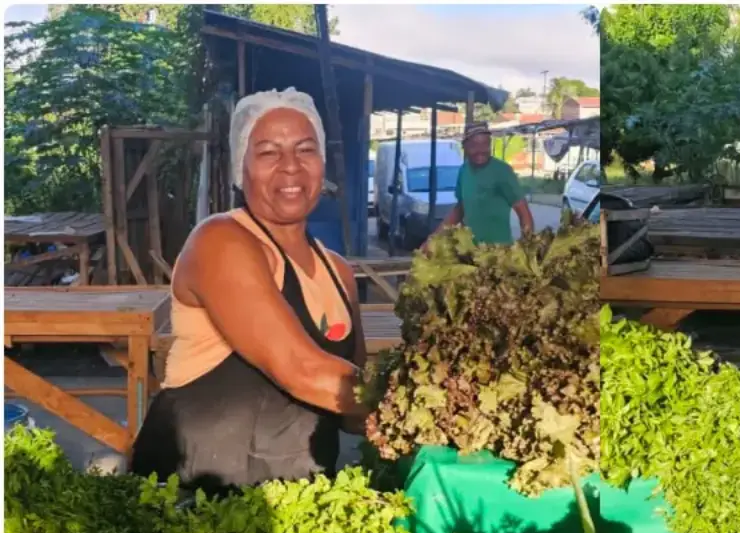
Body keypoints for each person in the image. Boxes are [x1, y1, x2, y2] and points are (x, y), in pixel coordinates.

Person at [130, 88, 369, 493]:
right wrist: (420, 406)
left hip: (299, 510)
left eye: (305, 149)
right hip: (190, 500)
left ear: (321, 163)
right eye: (268, 153)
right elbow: (303, 369)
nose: (290, 167)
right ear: (241, 170)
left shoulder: (339, 272)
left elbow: (352, 413)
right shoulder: (220, 242)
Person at [424, 121, 534, 249]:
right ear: (464, 146)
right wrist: (433, 239)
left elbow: (523, 210)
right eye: (474, 145)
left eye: (485, 145)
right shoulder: (464, 171)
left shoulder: (502, 171)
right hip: (471, 252)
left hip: (499, 253)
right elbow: (460, 209)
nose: (480, 151)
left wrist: (528, 247)